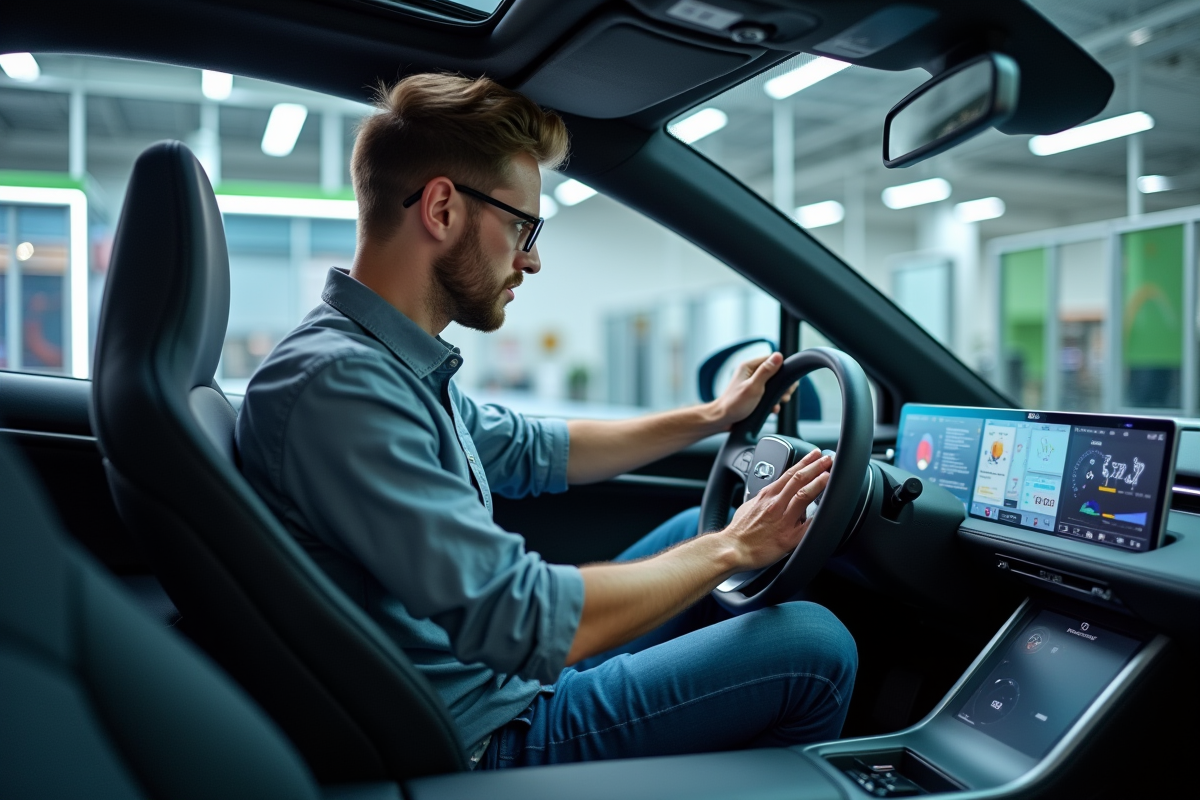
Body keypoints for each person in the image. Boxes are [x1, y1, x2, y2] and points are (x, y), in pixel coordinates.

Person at [235, 73, 856, 770]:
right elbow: (519, 617)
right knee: (815, 648)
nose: (531, 258)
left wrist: (713, 417)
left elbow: (536, 449)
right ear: (441, 208)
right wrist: (735, 547)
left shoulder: (382, 361)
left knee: (696, 528)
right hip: (482, 735)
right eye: (522, 226)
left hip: (492, 681)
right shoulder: (342, 386)